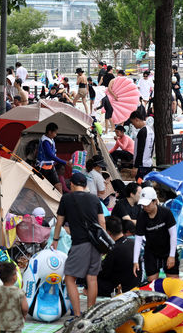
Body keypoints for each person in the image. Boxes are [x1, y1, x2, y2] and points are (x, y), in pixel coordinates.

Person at [51, 173, 105, 318]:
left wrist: (55, 239)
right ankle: (91, 313)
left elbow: (59, 222)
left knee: (69, 278)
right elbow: (102, 223)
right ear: (85, 185)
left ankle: (76, 314)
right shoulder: (95, 199)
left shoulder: (67, 198)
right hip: (96, 244)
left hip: (80, 243)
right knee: (92, 278)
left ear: (72, 185)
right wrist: (102, 243)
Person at [133, 187, 178, 282]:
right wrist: (135, 260)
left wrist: (172, 256)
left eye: (147, 204)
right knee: (152, 282)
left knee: (173, 281)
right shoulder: (142, 216)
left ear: (154, 201)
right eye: (143, 205)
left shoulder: (166, 212)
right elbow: (138, 239)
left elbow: (173, 235)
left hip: (167, 249)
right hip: (152, 252)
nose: (145, 207)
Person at [97, 216, 137, 297]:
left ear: (107, 232)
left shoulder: (114, 249)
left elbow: (104, 273)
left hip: (121, 288)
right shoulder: (132, 242)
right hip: (135, 284)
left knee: (91, 280)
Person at [0, 261, 28, 333]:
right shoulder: (19, 292)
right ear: (14, 277)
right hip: (15, 326)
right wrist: (24, 315)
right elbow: (25, 308)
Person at [34, 122, 65, 192]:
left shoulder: (51, 139)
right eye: (55, 133)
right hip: (42, 168)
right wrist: (64, 162)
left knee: (58, 186)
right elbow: (50, 155)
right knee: (36, 188)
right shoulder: (45, 142)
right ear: (49, 132)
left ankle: (61, 202)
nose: (55, 135)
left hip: (50, 167)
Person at [130, 111, 154, 181]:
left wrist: (136, 167)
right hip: (148, 163)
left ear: (136, 119)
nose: (133, 125)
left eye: (133, 122)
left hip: (141, 165)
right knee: (146, 182)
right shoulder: (150, 130)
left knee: (140, 183)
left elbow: (140, 150)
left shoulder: (142, 132)